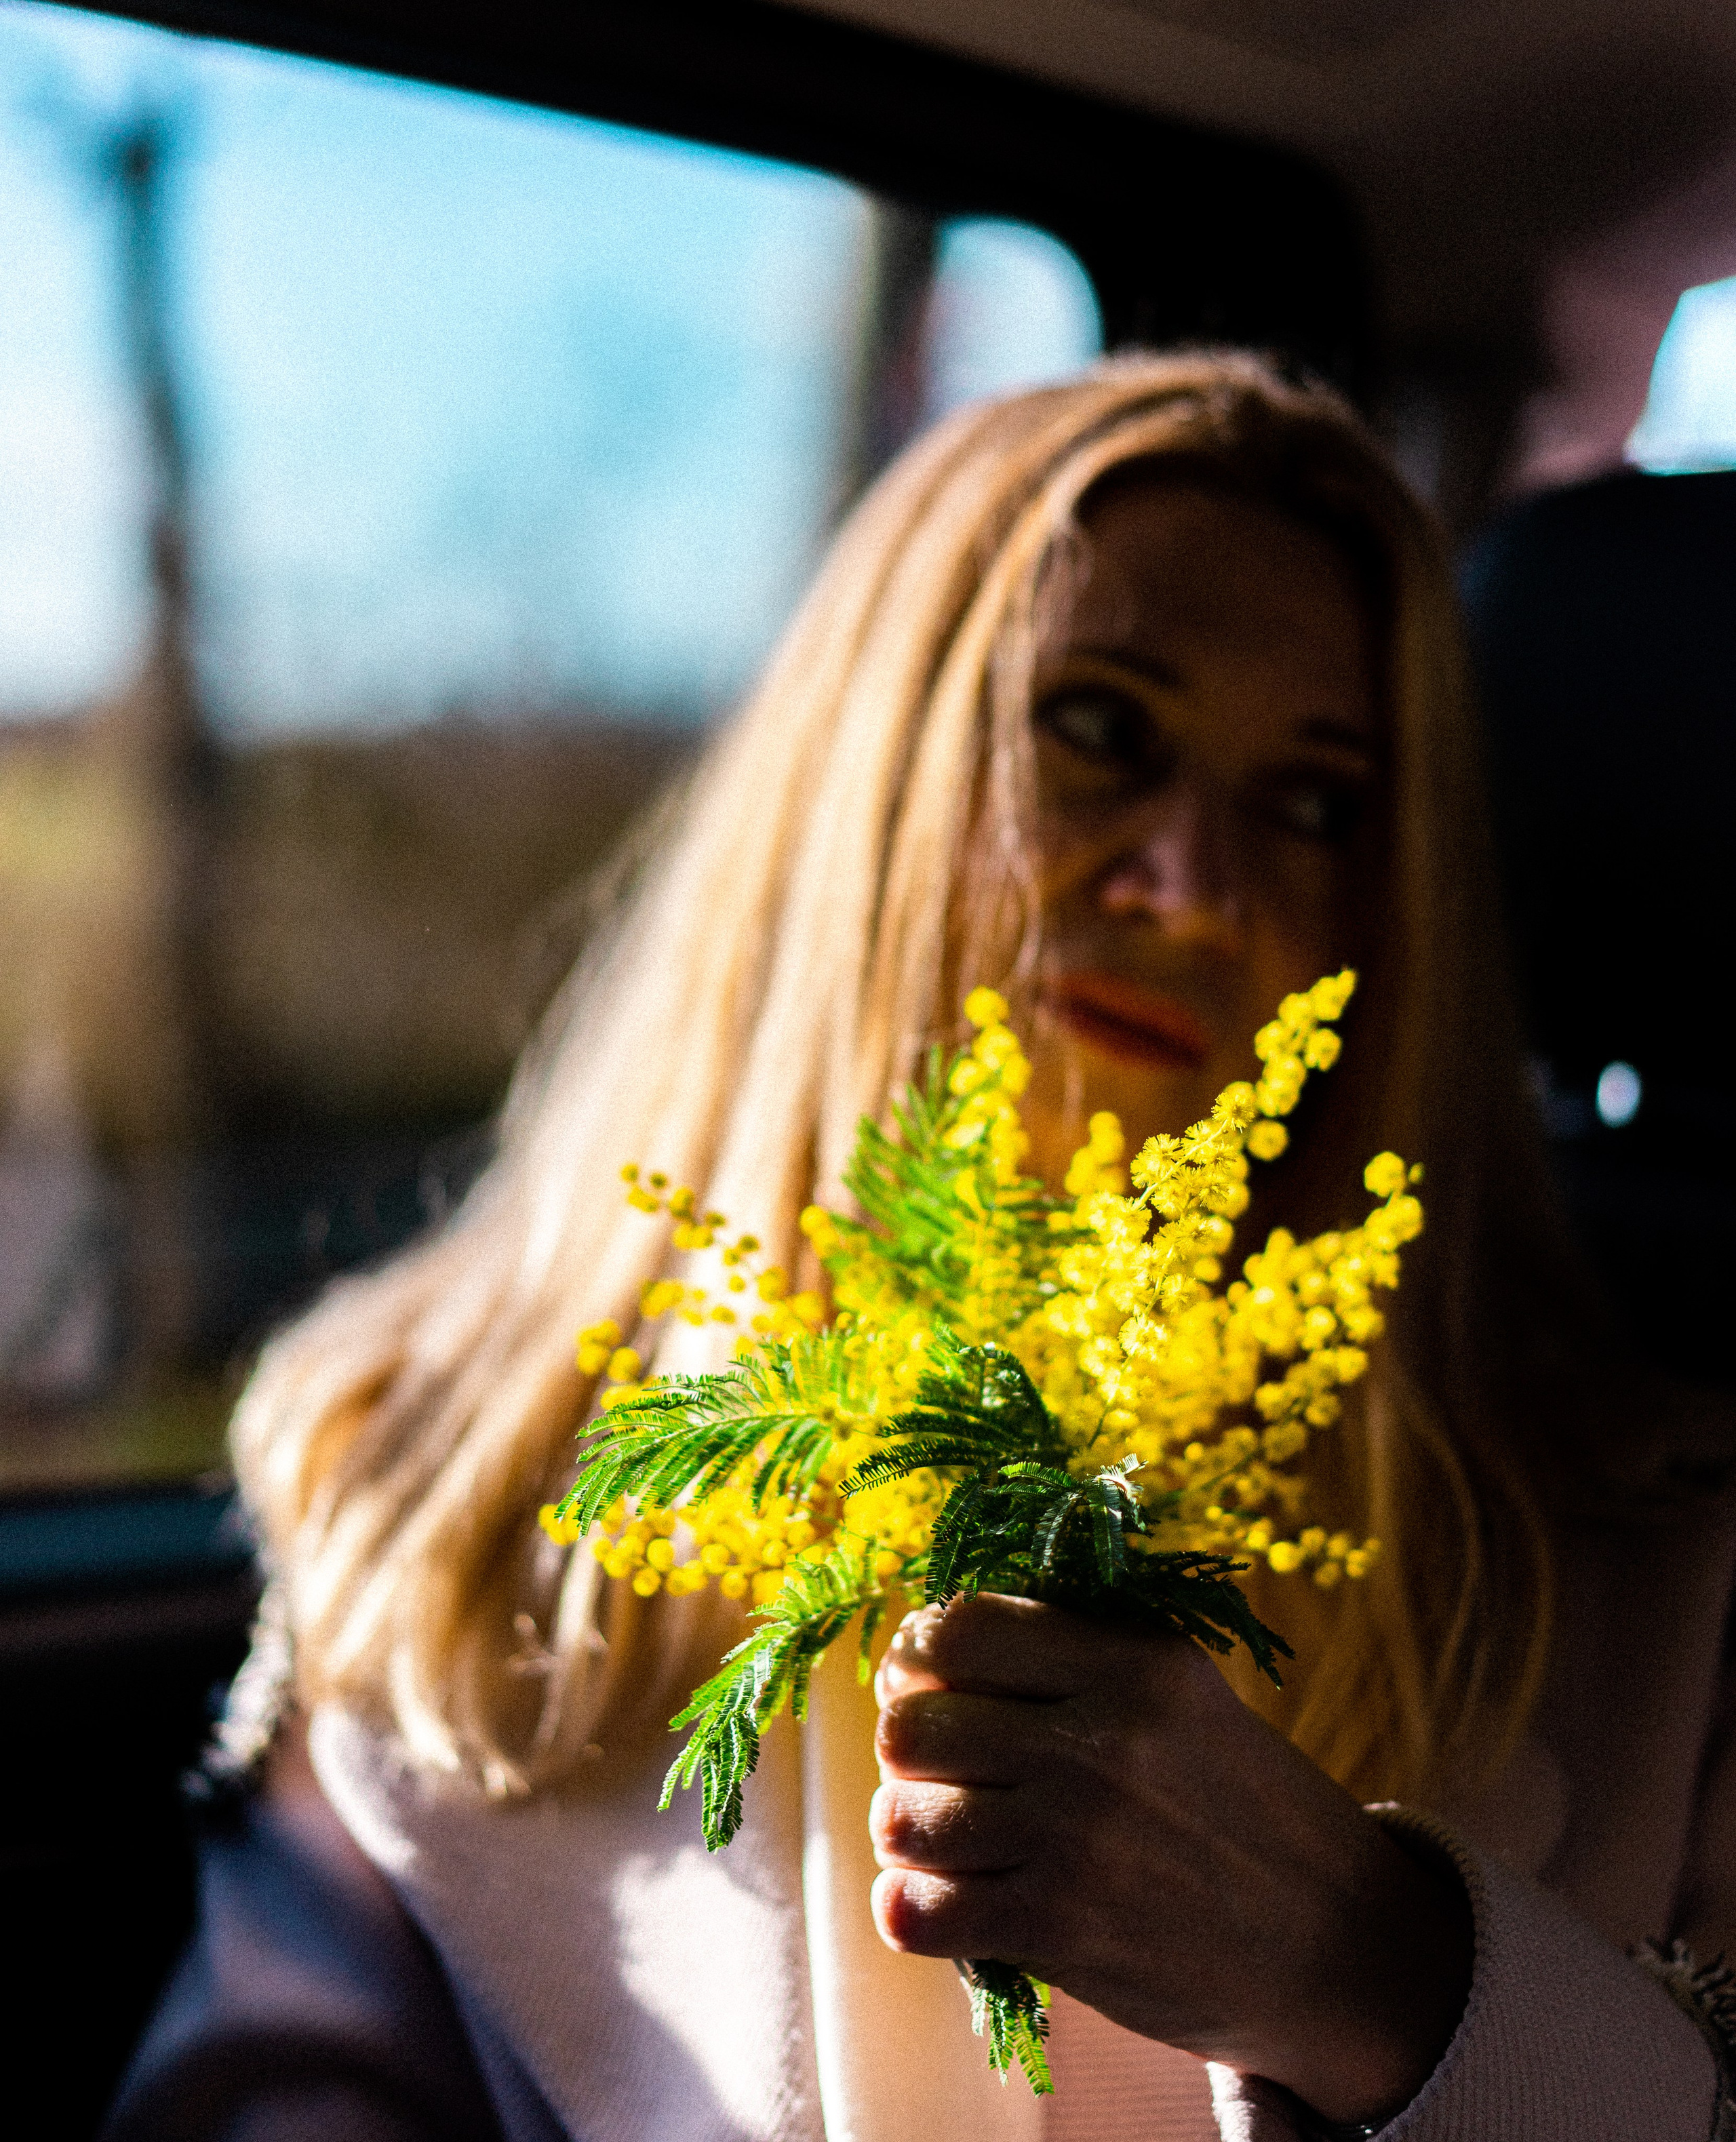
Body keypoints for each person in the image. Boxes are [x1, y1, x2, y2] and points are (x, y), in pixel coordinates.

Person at [107, 351, 1736, 2142]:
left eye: (1317, 802)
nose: (1193, 883)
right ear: (867, 787)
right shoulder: (436, 1483)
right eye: (1103, 728)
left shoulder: (1640, 1560)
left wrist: (1377, 1975)